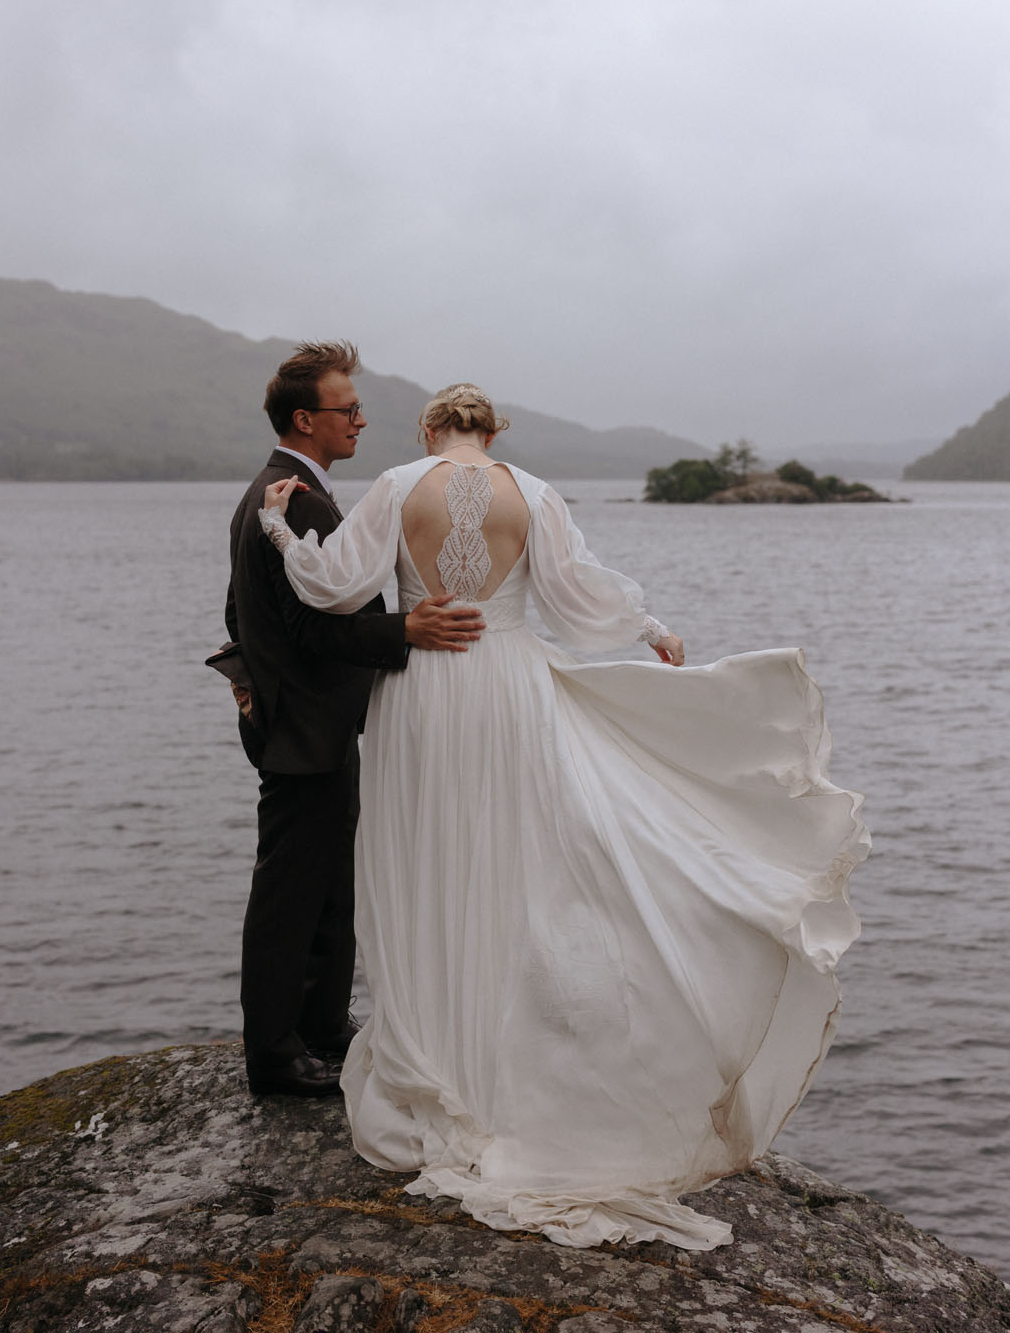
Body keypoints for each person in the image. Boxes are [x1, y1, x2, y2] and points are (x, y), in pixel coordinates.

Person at [256, 382, 869, 1247]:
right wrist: (651, 624)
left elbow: (334, 586)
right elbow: (582, 601)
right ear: (494, 432)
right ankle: (510, 1071)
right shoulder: (535, 493)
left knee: (426, 864)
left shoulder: (396, 483)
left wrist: (281, 526)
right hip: (510, 689)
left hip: (425, 691)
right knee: (514, 867)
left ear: (429, 430)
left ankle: (434, 1054)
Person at [225, 345, 485, 1099]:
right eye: (349, 410)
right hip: (303, 728)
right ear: (307, 419)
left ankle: (321, 1028)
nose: (362, 421)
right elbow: (307, 629)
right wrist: (403, 632)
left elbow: (246, 613)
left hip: (306, 721)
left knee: (331, 883)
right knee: (291, 896)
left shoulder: (278, 489)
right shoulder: (293, 497)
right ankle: (274, 1056)